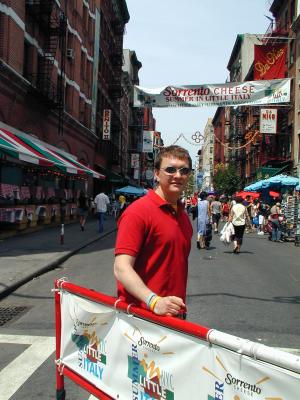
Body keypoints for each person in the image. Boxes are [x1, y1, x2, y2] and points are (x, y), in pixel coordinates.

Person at [114, 145, 193, 318]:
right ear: (156, 173)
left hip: (174, 316)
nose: (178, 175)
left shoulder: (183, 216)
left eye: (184, 170)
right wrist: (154, 301)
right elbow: (121, 267)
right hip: (141, 317)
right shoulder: (138, 212)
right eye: (170, 169)